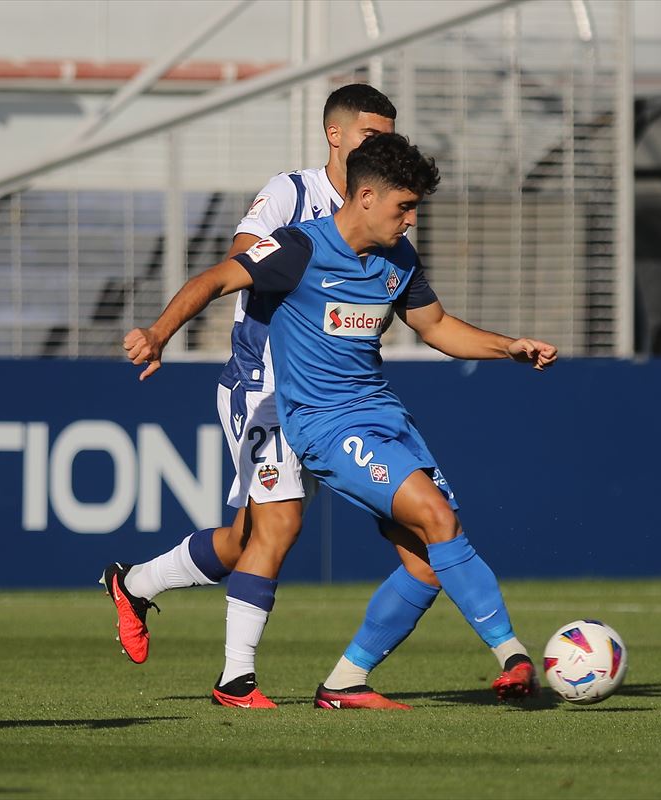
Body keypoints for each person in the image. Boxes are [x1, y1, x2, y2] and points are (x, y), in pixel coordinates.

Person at [123, 132, 558, 707]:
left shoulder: (398, 260)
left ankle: (346, 681)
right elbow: (215, 278)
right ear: (367, 196)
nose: (411, 221)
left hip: (383, 416)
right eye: (404, 207)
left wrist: (509, 347)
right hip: (322, 424)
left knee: (428, 561)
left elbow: (436, 327)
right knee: (428, 516)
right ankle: (513, 655)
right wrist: (158, 334)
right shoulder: (298, 249)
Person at [103, 85, 455, 710]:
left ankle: (133, 584)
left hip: (331, 397)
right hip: (263, 386)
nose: (383, 145)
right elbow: (239, 262)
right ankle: (235, 680)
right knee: (281, 522)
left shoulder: (386, 221)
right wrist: (160, 332)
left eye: (389, 135)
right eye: (372, 134)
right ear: (336, 135)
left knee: (248, 539)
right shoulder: (291, 194)